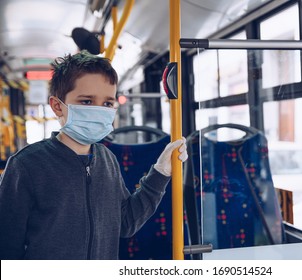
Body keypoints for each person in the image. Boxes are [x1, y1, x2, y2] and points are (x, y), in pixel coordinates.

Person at [0, 50, 188, 260]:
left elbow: (125, 223)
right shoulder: (26, 165)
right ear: (57, 106)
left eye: (107, 103)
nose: (99, 111)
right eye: (87, 102)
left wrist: (160, 173)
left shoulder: (107, 159)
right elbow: (7, 247)